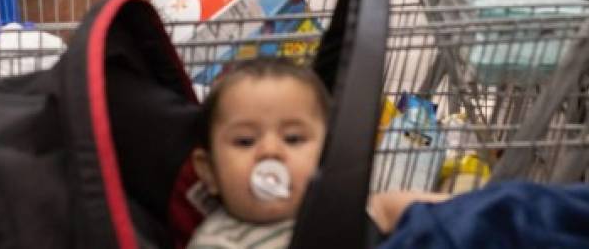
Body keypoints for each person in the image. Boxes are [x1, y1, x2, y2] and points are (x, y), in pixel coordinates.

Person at [188, 58, 444, 248]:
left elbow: (385, 208)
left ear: (329, 153)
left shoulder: (338, 208)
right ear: (209, 171)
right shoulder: (218, 243)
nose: (270, 151)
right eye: (245, 141)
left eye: (293, 138)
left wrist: (467, 206)